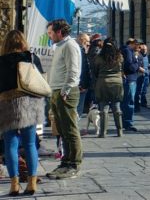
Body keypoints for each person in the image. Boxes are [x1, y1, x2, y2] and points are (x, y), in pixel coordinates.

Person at [1, 30, 46, 196]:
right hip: (30, 104)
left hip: (7, 105)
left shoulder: (1, 61)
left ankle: (14, 185)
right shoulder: (31, 58)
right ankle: (32, 182)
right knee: (29, 144)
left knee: (10, 145)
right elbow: (40, 80)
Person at [47, 18, 83, 179]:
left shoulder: (70, 45)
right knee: (62, 129)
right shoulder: (59, 46)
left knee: (69, 129)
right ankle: (66, 161)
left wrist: (66, 89)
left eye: (50, 32)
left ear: (59, 32)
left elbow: (73, 70)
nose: (49, 36)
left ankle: (73, 163)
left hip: (65, 92)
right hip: (56, 90)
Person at [93, 42, 125, 137]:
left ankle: (103, 132)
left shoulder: (99, 57)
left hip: (103, 82)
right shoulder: (119, 57)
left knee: (104, 108)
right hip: (117, 83)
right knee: (116, 107)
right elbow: (123, 68)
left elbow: (95, 71)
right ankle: (120, 131)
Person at [119, 38, 141, 132]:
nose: (139, 47)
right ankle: (128, 123)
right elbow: (130, 66)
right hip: (129, 79)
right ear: (134, 44)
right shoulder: (128, 51)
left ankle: (125, 122)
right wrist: (137, 64)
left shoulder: (126, 50)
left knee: (126, 102)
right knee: (129, 102)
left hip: (129, 79)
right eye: (138, 45)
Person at [76, 32, 95, 116]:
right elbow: (82, 69)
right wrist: (83, 85)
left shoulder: (80, 50)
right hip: (80, 86)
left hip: (78, 84)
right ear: (82, 40)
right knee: (77, 111)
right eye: (87, 41)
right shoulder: (80, 51)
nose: (89, 43)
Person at [136, 42, 150, 108]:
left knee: (144, 90)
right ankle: (138, 103)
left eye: (145, 49)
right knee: (139, 90)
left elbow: (147, 64)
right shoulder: (138, 56)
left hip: (146, 75)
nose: (144, 50)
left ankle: (143, 102)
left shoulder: (147, 56)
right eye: (143, 49)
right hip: (140, 75)